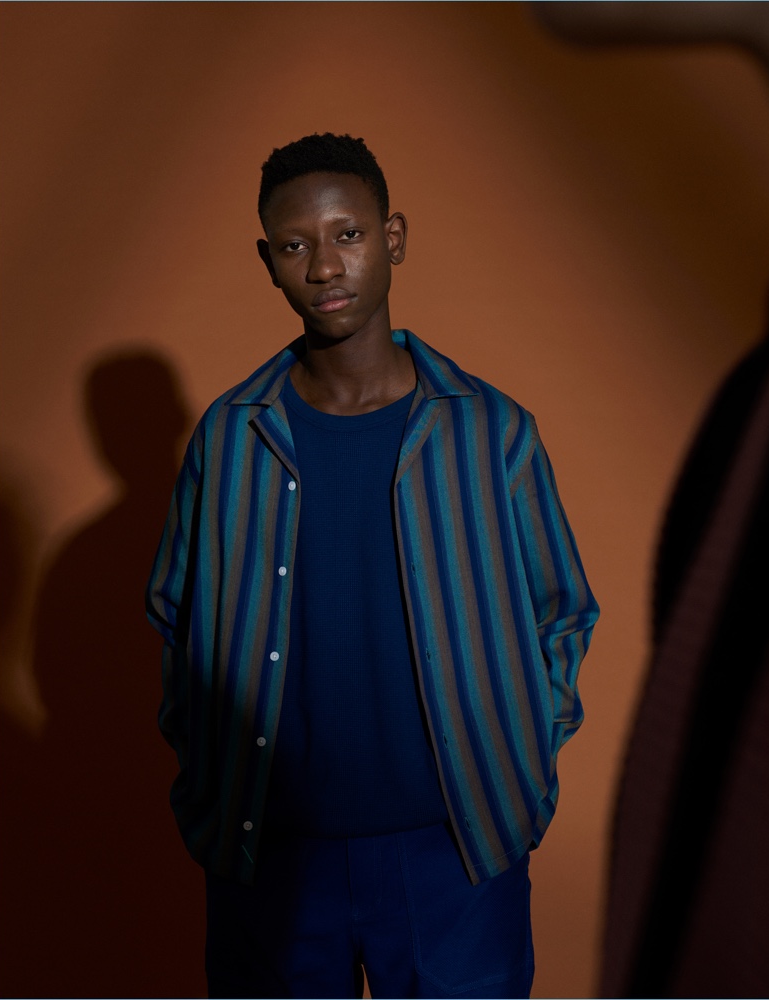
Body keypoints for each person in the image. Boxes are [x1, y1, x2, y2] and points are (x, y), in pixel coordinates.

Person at [146, 132, 599, 1000]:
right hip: (272, 858)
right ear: (268, 263)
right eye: (294, 245)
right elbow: (177, 621)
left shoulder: (490, 431)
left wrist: (516, 775)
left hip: (456, 854)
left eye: (347, 235)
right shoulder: (230, 440)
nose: (324, 267)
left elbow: (562, 613)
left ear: (393, 238)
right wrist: (211, 790)